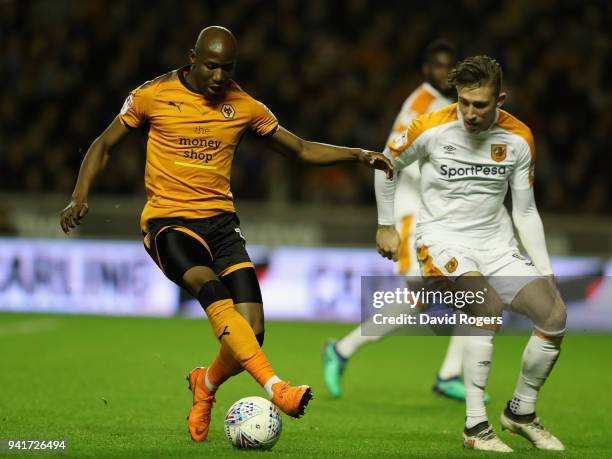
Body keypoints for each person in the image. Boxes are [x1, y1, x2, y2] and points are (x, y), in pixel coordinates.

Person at [59, 26, 392, 443]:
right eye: (211, 66)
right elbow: (104, 143)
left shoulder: (245, 106)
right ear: (192, 58)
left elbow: (301, 149)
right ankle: (277, 388)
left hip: (220, 225)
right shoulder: (152, 94)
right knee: (209, 287)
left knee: (251, 330)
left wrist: (359, 155)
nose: (219, 76)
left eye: (227, 68)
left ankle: (206, 385)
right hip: (169, 223)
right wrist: (79, 195)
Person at [375, 55, 566, 452]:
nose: (470, 113)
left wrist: (546, 271)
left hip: (496, 245)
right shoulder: (431, 127)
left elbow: (525, 210)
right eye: (464, 102)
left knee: (554, 315)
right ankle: (475, 427)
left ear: (501, 99)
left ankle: (521, 412)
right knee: (486, 307)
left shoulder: (518, 138)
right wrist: (386, 224)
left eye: (480, 105)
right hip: (440, 241)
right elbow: (384, 162)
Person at [323, 40, 488, 402]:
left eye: (451, 67)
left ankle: (445, 374)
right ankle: (344, 351)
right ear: (426, 70)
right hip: (411, 212)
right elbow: (388, 160)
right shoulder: (421, 106)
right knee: (430, 296)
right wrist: (387, 222)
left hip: (435, 212)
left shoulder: (449, 106)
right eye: (438, 66)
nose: (445, 73)